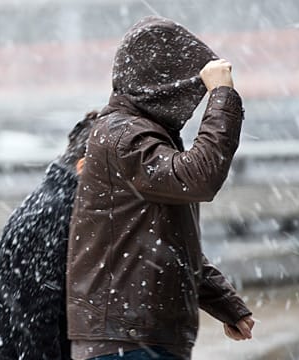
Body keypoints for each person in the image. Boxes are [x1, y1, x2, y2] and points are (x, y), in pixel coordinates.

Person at [66, 16, 254, 360]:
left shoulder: (138, 134)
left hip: (136, 337)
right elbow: (200, 178)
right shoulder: (124, 135)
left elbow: (167, 243)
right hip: (128, 342)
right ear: (162, 87)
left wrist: (224, 303)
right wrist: (222, 96)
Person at [0, 111, 97, 360]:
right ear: (83, 166)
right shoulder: (54, 211)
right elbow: (35, 320)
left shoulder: (50, 200)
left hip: (1, 346)